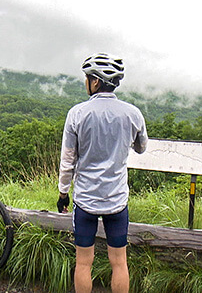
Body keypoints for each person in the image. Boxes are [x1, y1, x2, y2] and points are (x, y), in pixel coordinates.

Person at [57, 53, 148, 293]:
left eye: (87, 78)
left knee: (83, 263)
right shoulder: (133, 113)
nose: (85, 82)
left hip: (85, 200)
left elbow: (68, 160)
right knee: (119, 262)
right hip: (117, 200)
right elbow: (141, 147)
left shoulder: (77, 113)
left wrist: (63, 193)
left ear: (95, 81)